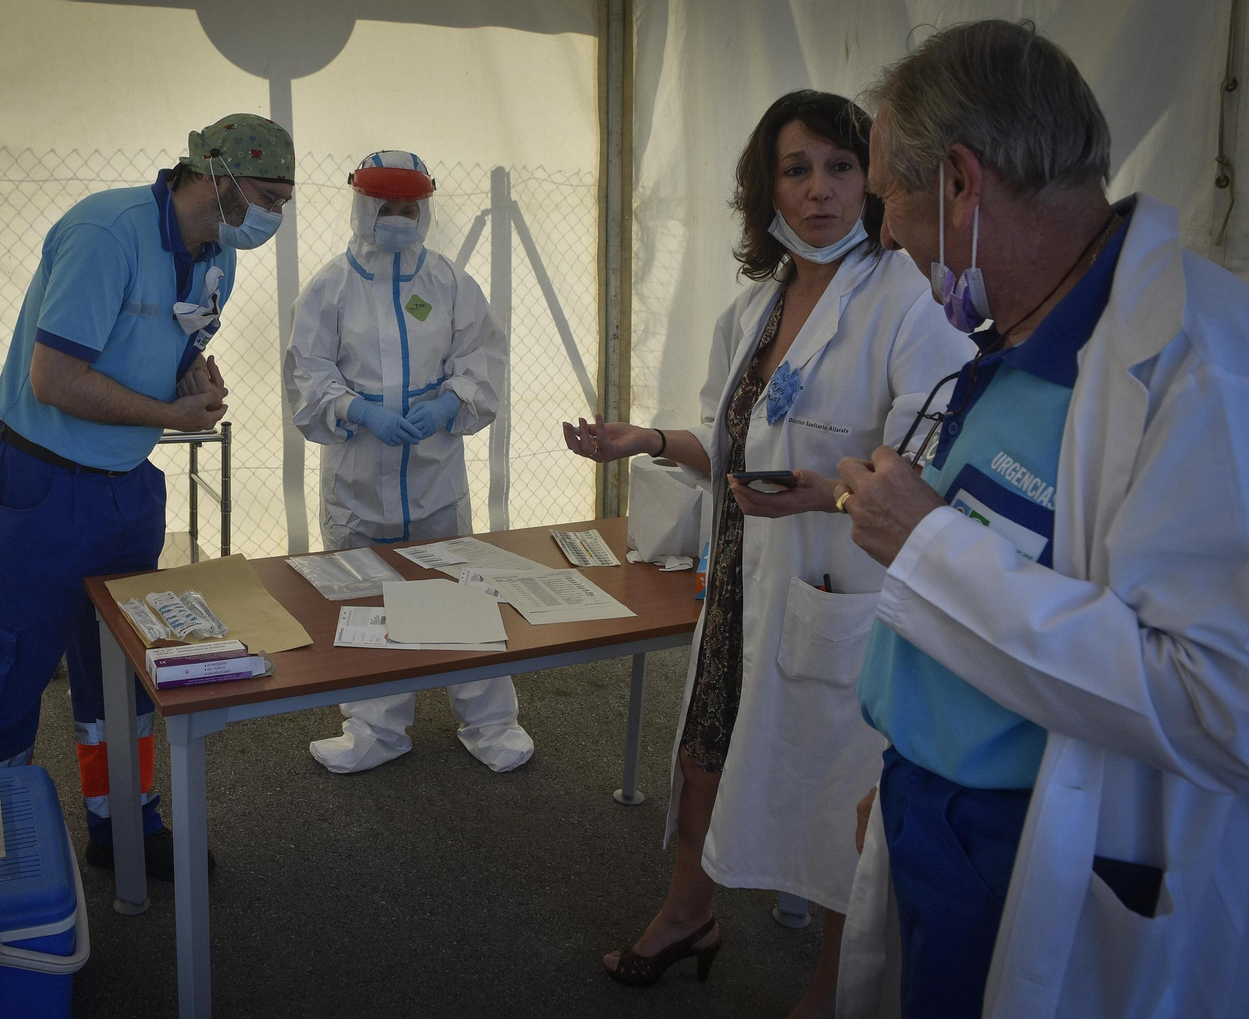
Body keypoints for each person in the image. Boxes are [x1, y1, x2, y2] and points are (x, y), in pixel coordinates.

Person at [834, 20, 1249, 1019]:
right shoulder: (1015, 332)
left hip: (1038, 848)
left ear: (963, 182)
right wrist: (905, 778)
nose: (884, 229)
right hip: (929, 813)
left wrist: (924, 542)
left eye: (890, 191)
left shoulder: (1200, 369)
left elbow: (1219, 702)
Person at [563, 91, 971, 1014]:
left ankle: (831, 989)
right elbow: (734, 448)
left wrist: (826, 492)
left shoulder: (910, 299)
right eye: (797, 170)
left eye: (840, 166)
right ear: (768, 189)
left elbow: (928, 468)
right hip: (747, 579)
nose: (821, 190)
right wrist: (654, 442)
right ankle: (688, 916)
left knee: (839, 792)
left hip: (839, 589)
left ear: (871, 179)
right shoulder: (755, 306)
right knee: (704, 754)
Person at [0, 114, 293, 879]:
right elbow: (56, 379)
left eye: (284, 201)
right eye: (268, 197)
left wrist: (195, 384)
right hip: (42, 484)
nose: (274, 216)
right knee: (3, 680)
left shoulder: (217, 257)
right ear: (217, 176)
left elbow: (174, 352)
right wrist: (170, 417)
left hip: (126, 490)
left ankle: (124, 829)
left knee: (124, 677)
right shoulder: (107, 231)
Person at [285, 150, 533, 775]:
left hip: (434, 475)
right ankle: (375, 728)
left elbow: (482, 359)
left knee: (459, 591)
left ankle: (490, 723)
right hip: (357, 481)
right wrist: (355, 412)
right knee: (366, 604)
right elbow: (307, 373)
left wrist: (451, 401)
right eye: (384, 207)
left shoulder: (450, 283)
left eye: (408, 208)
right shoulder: (329, 287)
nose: (396, 218)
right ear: (361, 208)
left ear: (424, 210)